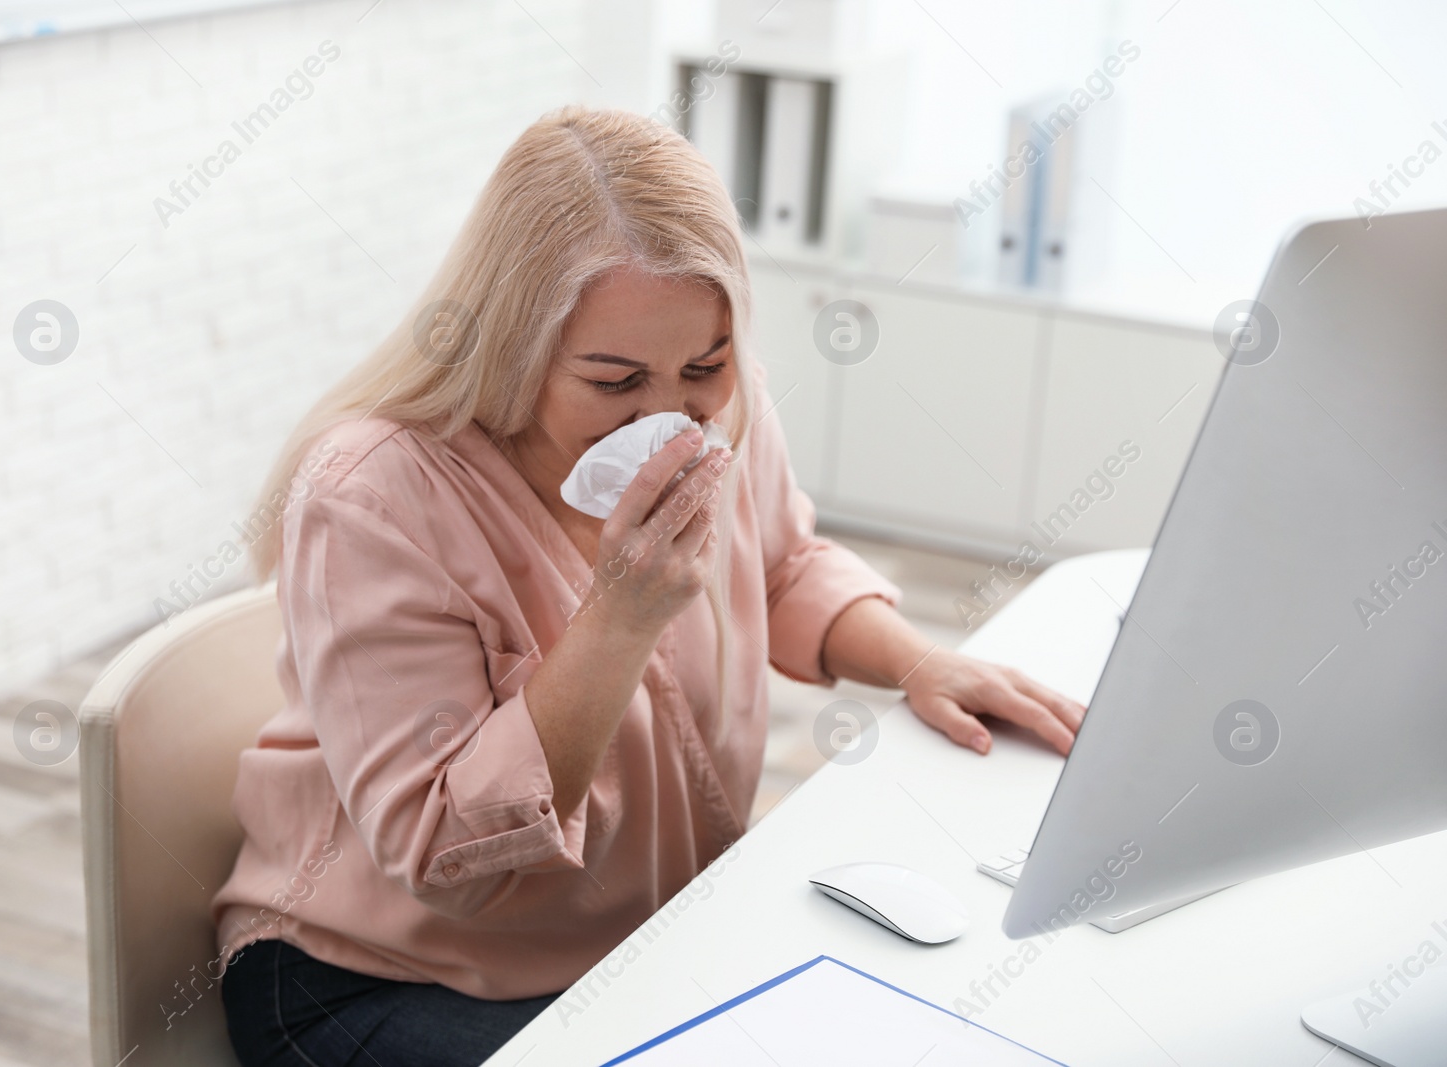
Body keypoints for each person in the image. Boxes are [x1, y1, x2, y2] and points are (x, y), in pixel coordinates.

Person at [212, 103, 1084, 1067]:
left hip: (637, 945)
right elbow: (441, 852)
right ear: (512, 345)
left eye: (702, 366)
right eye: (614, 380)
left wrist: (917, 661)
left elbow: (783, 565)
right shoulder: (374, 494)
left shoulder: (719, 405)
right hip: (378, 975)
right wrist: (619, 619)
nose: (667, 417)